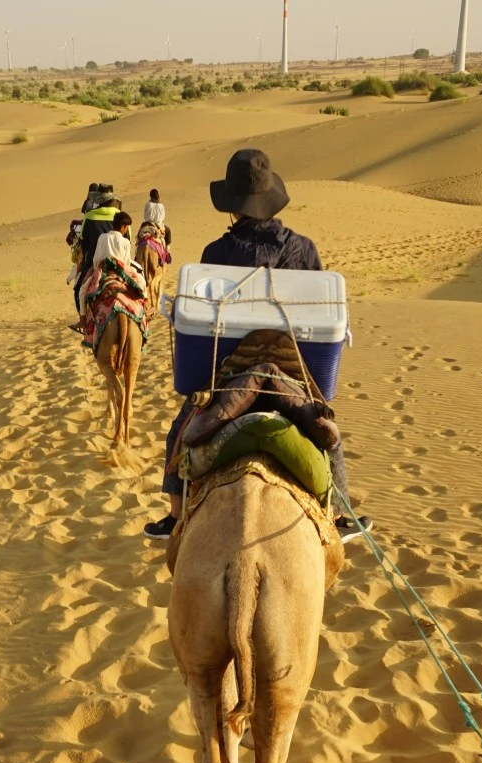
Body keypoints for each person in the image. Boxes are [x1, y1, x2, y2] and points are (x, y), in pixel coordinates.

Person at [143, 149, 371, 542]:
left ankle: (175, 516)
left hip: (230, 379)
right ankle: (337, 516)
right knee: (329, 435)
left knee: (181, 429)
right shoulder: (304, 250)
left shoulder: (216, 253)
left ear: (232, 206)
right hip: (292, 378)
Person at [71, 193, 121, 328]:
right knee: (140, 284)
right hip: (121, 264)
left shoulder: (89, 217)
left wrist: (91, 263)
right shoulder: (120, 215)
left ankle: (82, 319)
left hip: (97, 262)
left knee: (80, 290)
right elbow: (127, 240)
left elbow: (84, 243)